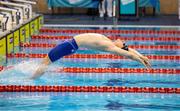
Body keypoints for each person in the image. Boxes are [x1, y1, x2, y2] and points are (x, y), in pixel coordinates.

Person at [30, 33, 151, 79]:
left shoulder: (110, 47)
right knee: (46, 60)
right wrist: (143, 56)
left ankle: (32, 80)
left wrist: (140, 61)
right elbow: (129, 50)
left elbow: (128, 54)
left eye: (123, 43)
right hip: (70, 44)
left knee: (47, 61)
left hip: (69, 45)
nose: (122, 40)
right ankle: (35, 76)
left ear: (119, 46)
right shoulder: (110, 41)